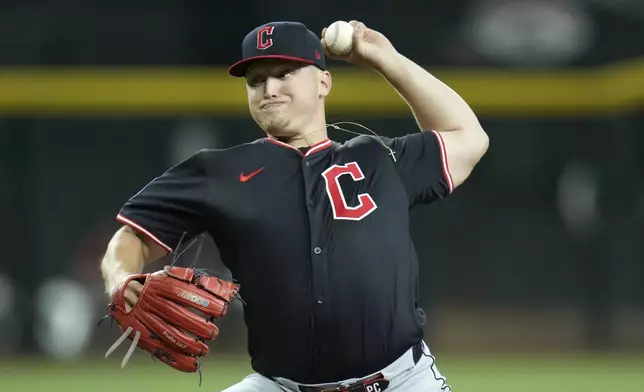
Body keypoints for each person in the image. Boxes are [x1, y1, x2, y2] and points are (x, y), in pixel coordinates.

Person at [100, 20, 489, 392]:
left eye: (284, 73)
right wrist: (121, 279)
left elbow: (468, 138)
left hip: (401, 382)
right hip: (282, 386)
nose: (268, 87)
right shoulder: (217, 171)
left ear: (324, 82)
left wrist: (386, 60)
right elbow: (131, 236)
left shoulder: (380, 158)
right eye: (256, 81)